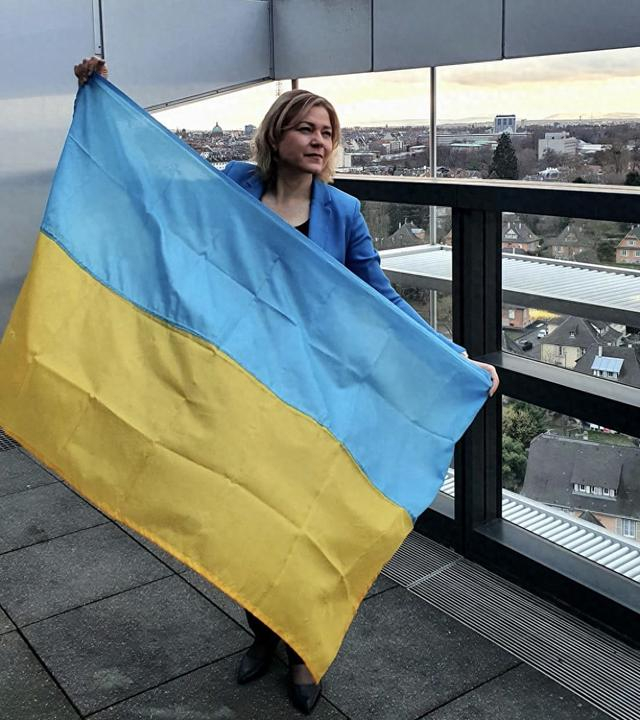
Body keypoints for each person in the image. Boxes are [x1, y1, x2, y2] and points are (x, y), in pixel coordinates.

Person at [75, 58, 499, 715]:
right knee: (248, 515)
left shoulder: (343, 212)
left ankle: (303, 649)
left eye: (327, 132)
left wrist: (453, 356)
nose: (318, 140)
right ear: (276, 135)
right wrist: (97, 93)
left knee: (303, 520)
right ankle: (262, 633)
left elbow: (380, 299)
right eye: (305, 128)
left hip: (311, 392)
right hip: (239, 380)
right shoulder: (234, 186)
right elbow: (156, 190)